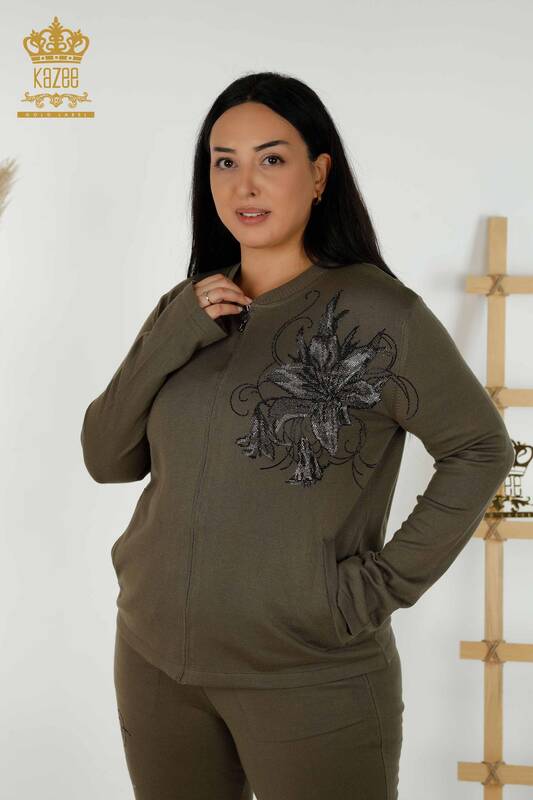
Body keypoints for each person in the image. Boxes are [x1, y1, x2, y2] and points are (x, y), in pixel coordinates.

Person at [80, 71, 515, 800]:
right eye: (224, 161)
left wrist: (374, 590)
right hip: (155, 663)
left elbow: (480, 448)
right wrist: (175, 331)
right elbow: (106, 457)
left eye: (271, 159)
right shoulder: (188, 305)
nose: (243, 184)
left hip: (311, 677)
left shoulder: (381, 312)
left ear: (318, 175)